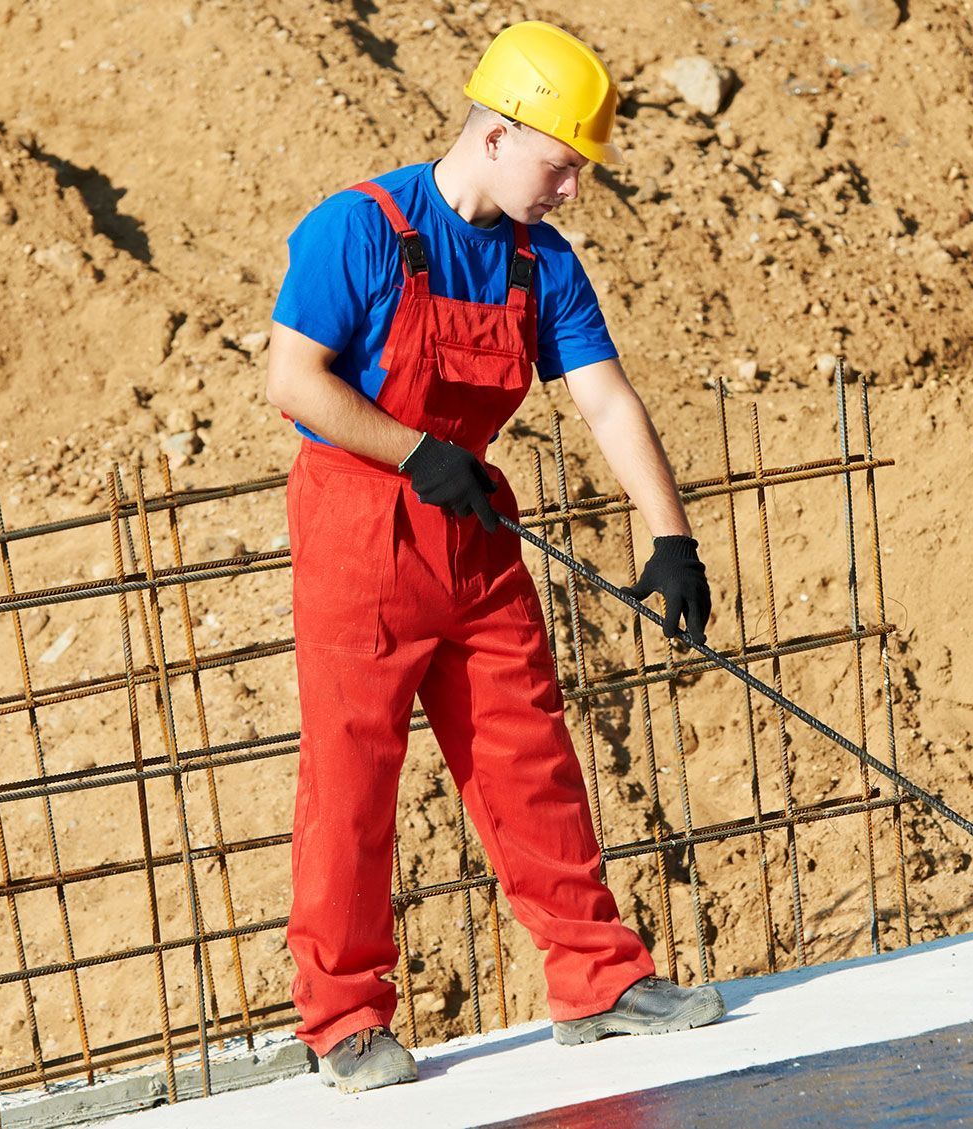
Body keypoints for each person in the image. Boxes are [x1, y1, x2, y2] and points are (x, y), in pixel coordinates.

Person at [264, 19, 722, 1094]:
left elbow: (605, 399)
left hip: (468, 529)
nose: (570, 191)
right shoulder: (359, 229)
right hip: (359, 529)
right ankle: (342, 1019)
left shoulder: (539, 261)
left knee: (528, 755)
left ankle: (598, 983)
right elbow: (295, 381)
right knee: (352, 778)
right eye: (562, 165)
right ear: (498, 133)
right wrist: (416, 448)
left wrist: (670, 535)